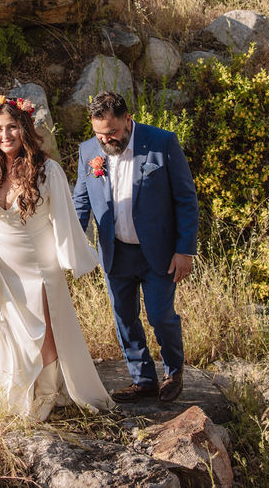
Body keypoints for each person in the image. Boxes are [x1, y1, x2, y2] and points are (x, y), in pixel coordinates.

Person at [0, 95, 114, 421]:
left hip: (39, 269)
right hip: (0, 267)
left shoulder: (46, 169)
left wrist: (73, 258)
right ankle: (16, 391)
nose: (5, 135)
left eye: (12, 127)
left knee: (45, 336)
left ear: (25, 128)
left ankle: (47, 393)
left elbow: (65, 216)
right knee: (8, 334)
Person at [73, 91, 199, 403]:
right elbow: (81, 202)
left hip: (159, 252)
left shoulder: (162, 143)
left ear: (128, 120)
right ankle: (143, 379)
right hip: (115, 253)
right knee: (124, 317)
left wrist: (185, 250)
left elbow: (186, 199)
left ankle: (173, 372)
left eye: (112, 132)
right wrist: (69, 244)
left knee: (159, 315)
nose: (106, 140)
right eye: (99, 133)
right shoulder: (88, 151)